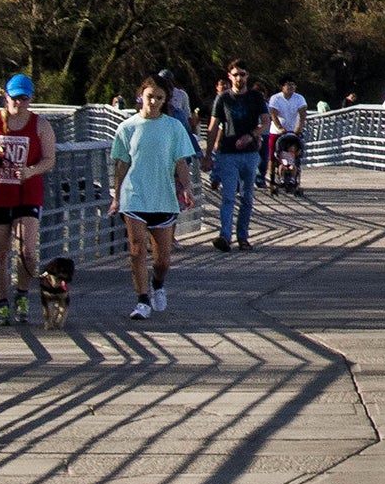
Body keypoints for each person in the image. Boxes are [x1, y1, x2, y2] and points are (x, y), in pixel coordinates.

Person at [0, 76, 56, 326]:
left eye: (24, 98)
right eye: (14, 97)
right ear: (5, 97)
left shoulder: (40, 125)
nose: (19, 102)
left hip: (26, 194)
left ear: (31, 99)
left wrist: (31, 170)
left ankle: (22, 294)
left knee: (27, 251)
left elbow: (50, 159)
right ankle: (1, 304)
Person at [110, 79, 198, 320]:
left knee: (163, 260)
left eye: (159, 98)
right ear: (141, 95)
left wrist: (187, 188)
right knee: (137, 249)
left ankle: (158, 283)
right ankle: (142, 300)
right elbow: (122, 164)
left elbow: (180, 162)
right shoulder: (127, 128)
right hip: (135, 195)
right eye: (150, 96)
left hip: (163, 197)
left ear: (165, 100)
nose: (154, 102)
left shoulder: (173, 127)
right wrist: (117, 196)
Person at [206, 62, 268, 250]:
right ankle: (225, 236)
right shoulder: (223, 99)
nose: (239, 78)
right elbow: (213, 126)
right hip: (228, 153)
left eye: (242, 74)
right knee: (228, 196)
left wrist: (251, 136)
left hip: (249, 154)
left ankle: (243, 236)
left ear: (247, 76)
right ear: (229, 76)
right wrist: (208, 154)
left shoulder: (255, 97)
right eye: (235, 75)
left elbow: (265, 123)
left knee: (247, 197)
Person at [266, 76, 308, 194]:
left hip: (293, 131)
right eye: (288, 84)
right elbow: (273, 113)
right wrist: (279, 127)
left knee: (296, 154)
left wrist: (299, 127)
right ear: (282, 86)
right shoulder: (276, 98)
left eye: (293, 85)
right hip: (277, 131)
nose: (291, 87)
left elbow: (303, 112)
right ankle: (272, 179)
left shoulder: (299, 98)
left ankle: (294, 181)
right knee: (273, 156)